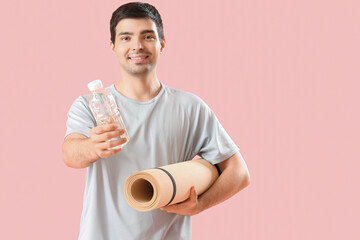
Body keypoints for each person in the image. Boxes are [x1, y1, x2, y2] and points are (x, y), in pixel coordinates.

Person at [62, 2, 250, 240]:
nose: (137, 46)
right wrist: (92, 147)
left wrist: (201, 204)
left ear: (162, 43)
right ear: (113, 46)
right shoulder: (90, 105)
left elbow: (239, 172)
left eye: (147, 36)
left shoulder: (190, 108)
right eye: (126, 38)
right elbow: (70, 152)